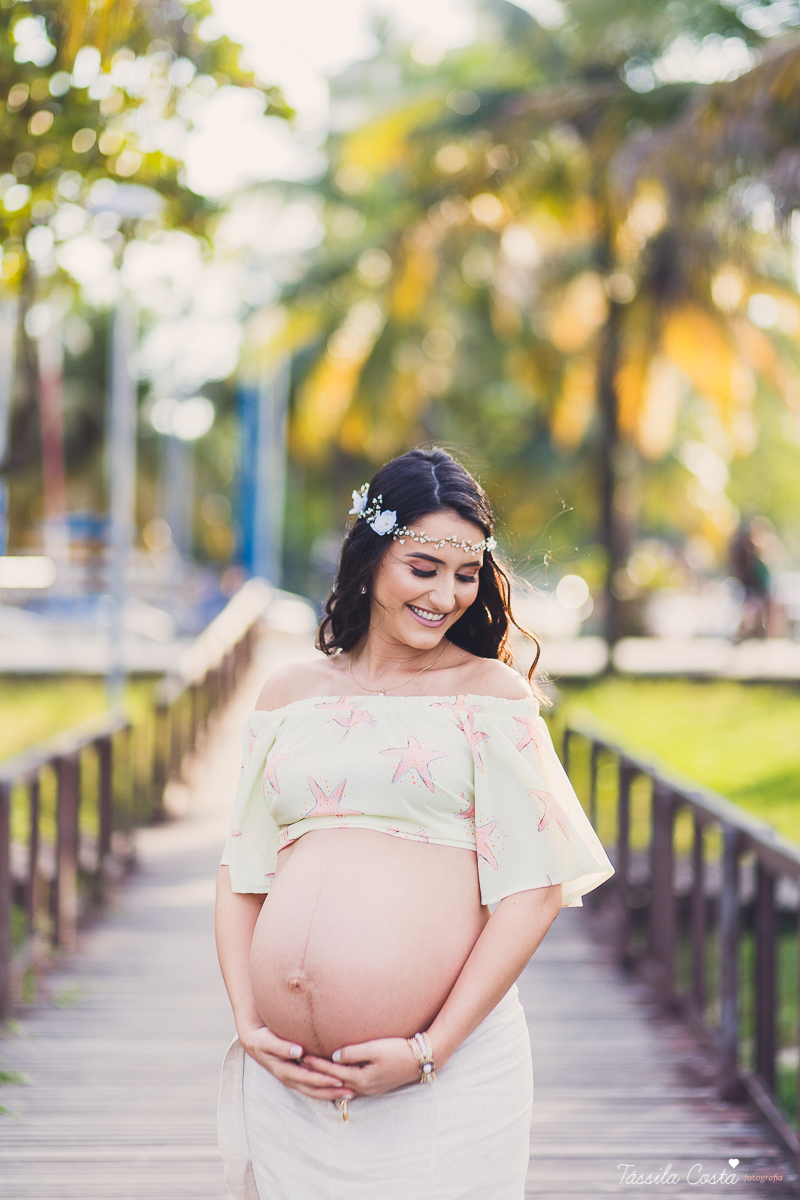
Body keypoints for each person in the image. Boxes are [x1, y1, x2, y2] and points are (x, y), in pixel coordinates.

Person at [215, 447, 614, 1200]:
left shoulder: (489, 695)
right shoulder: (288, 693)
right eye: (422, 568)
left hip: (444, 1084)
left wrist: (431, 1049)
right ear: (370, 559)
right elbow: (242, 873)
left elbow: (533, 891)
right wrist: (248, 1021)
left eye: (466, 574)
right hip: (287, 1083)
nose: (446, 595)